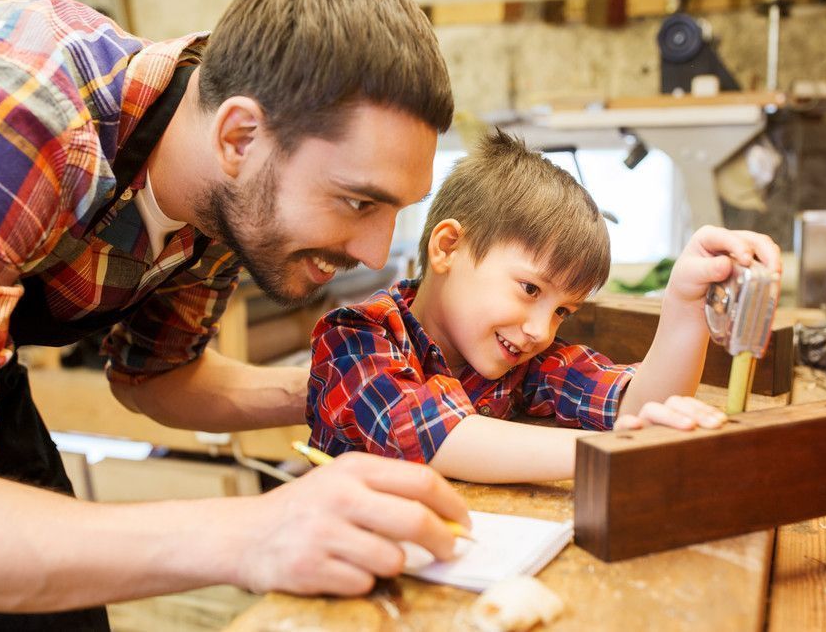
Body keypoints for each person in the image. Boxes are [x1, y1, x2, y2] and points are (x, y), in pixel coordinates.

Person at [0, 0, 472, 629]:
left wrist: (355, 388)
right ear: (239, 137)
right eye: (358, 200)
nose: (375, 250)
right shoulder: (2, 113)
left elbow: (156, 375)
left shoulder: (222, 193)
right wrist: (249, 534)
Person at [307, 131, 782, 483]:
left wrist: (684, 302)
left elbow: (640, 407)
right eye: (531, 290)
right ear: (448, 248)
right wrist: (616, 448)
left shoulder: (521, 360)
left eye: (562, 312)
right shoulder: (355, 338)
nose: (541, 330)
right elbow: (443, 438)